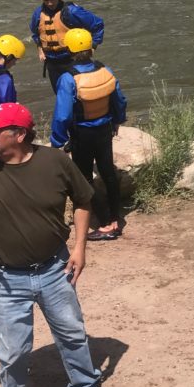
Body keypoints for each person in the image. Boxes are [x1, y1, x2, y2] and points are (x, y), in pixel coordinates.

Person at [0, 101, 125, 387]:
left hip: (55, 268)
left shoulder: (55, 162)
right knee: (13, 350)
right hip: (5, 279)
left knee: (72, 333)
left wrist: (80, 247)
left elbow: (82, 200)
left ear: (18, 134)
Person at [50, 29, 127, 242]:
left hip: (82, 134)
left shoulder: (68, 79)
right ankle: (115, 218)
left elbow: (62, 115)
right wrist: (118, 120)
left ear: (69, 50)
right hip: (104, 130)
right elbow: (119, 100)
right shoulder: (105, 70)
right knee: (108, 172)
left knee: (84, 178)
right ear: (91, 48)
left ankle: (105, 224)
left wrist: (57, 141)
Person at [29, 0, 104, 93]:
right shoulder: (38, 14)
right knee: (61, 94)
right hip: (52, 63)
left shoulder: (72, 11)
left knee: (80, 94)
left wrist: (93, 45)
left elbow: (97, 24)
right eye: (45, 0)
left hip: (72, 60)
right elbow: (35, 33)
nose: (49, 3)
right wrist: (40, 48)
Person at [0, 35, 25, 109]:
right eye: (15, 60)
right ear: (9, 57)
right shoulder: (3, 78)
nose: (14, 63)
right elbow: (6, 106)